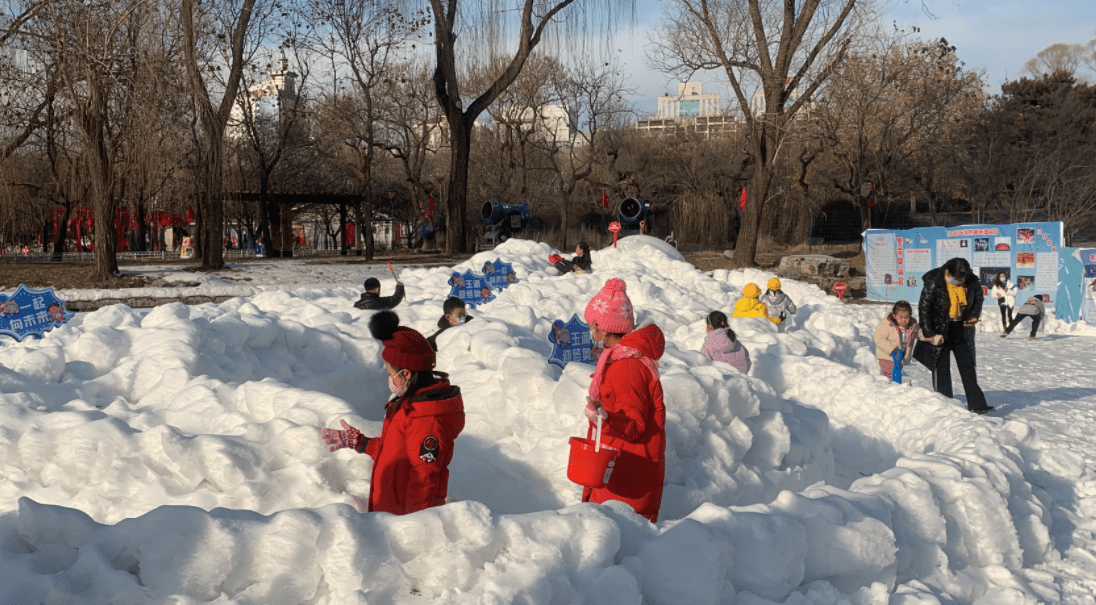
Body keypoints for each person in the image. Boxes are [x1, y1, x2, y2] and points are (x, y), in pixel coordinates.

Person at [321, 311, 465, 515]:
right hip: (388, 515)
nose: (389, 379)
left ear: (405, 373)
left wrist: (411, 530)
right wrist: (361, 442)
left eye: (390, 373)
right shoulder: (410, 407)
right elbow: (396, 453)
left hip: (400, 523)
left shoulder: (426, 420)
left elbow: (425, 483)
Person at [582, 278, 666, 523]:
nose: (590, 332)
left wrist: (604, 420)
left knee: (620, 548)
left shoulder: (626, 368)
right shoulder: (622, 360)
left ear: (602, 328)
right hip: (625, 468)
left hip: (626, 476)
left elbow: (633, 424)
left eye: (592, 326)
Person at [913, 257, 993, 414]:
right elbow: (924, 308)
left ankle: (977, 405)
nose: (957, 282)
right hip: (940, 329)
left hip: (961, 330)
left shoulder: (971, 281)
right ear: (947, 271)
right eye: (955, 279)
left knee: (968, 367)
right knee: (941, 369)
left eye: (961, 279)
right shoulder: (934, 282)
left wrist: (974, 315)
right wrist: (930, 333)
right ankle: (945, 405)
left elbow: (978, 299)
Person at [874, 300, 918, 379]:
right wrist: (891, 349)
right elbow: (878, 338)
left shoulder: (911, 326)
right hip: (887, 357)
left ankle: (893, 387)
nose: (904, 320)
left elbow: (921, 334)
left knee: (896, 374)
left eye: (906, 317)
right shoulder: (887, 325)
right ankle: (891, 388)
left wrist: (932, 338)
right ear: (894, 316)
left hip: (899, 358)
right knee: (892, 376)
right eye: (901, 317)